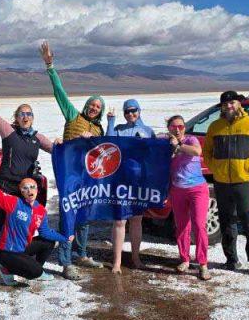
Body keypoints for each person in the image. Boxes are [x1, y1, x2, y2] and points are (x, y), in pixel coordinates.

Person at [0, 78, 53, 283]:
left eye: (29, 113)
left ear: (33, 117)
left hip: (24, 191)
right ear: (16, 117)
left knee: (21, 229)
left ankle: (13, 264)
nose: (26, 116)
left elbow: (57, 150)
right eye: (22, 113)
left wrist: (72, 144)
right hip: (7, 187)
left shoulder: (36, 138)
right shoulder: (9, 132)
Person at [40, 41, 106, 278]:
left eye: (97, 107)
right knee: (68, 214)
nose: (93, 108)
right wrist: (50, 66)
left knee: (84, 216)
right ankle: (66, 261)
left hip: (88, 178)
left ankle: (82, 253)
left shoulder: (99, 130)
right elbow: (59, 92)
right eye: (91, 104)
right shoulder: (72, 115)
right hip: (70, 176)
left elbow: (103, 153)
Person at [201, 91, 249, 278]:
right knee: (227, 223)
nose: (229, 107)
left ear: (238, 104)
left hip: (244, 182)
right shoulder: (215, 127)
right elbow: (207, 151)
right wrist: (214, 166)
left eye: (232, 103)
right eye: (225, 104)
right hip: (222, 182)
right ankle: (231, 259)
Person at [0, 167, 72, 286]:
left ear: (37, 190)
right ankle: (7, 270)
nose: (29, 190)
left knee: (48, 242)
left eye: (32, 187)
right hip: (7, 251)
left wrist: (64, 237)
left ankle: (31, 268)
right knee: (36, 271)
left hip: (22, 248)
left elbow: (45, 232)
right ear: (21, 191)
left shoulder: (40, 210)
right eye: (25, 188)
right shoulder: (14, 203)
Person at [105, 99, 155, 273]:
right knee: (119, 221)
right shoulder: (119, 130)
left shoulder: (148, 131)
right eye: (127, 111)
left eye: (133, 110)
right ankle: (117, 261)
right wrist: (110, 121)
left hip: (140, 183)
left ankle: (135, 258)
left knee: (136, 220)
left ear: (139, 111)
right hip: (121, 181)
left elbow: (155, 155)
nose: (130, 114)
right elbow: (108, 141)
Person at [166, 114, 210, 281]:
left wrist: (179, 145)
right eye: (173, 127)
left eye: (181, 126)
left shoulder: (191, 140)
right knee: (182, 226)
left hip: (197, 189)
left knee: (199, 225)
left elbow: (197, 152)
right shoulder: (167, 144)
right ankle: (184, 259)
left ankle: (203, 263)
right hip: (178, 190)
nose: (177, 129)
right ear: (168, 128)